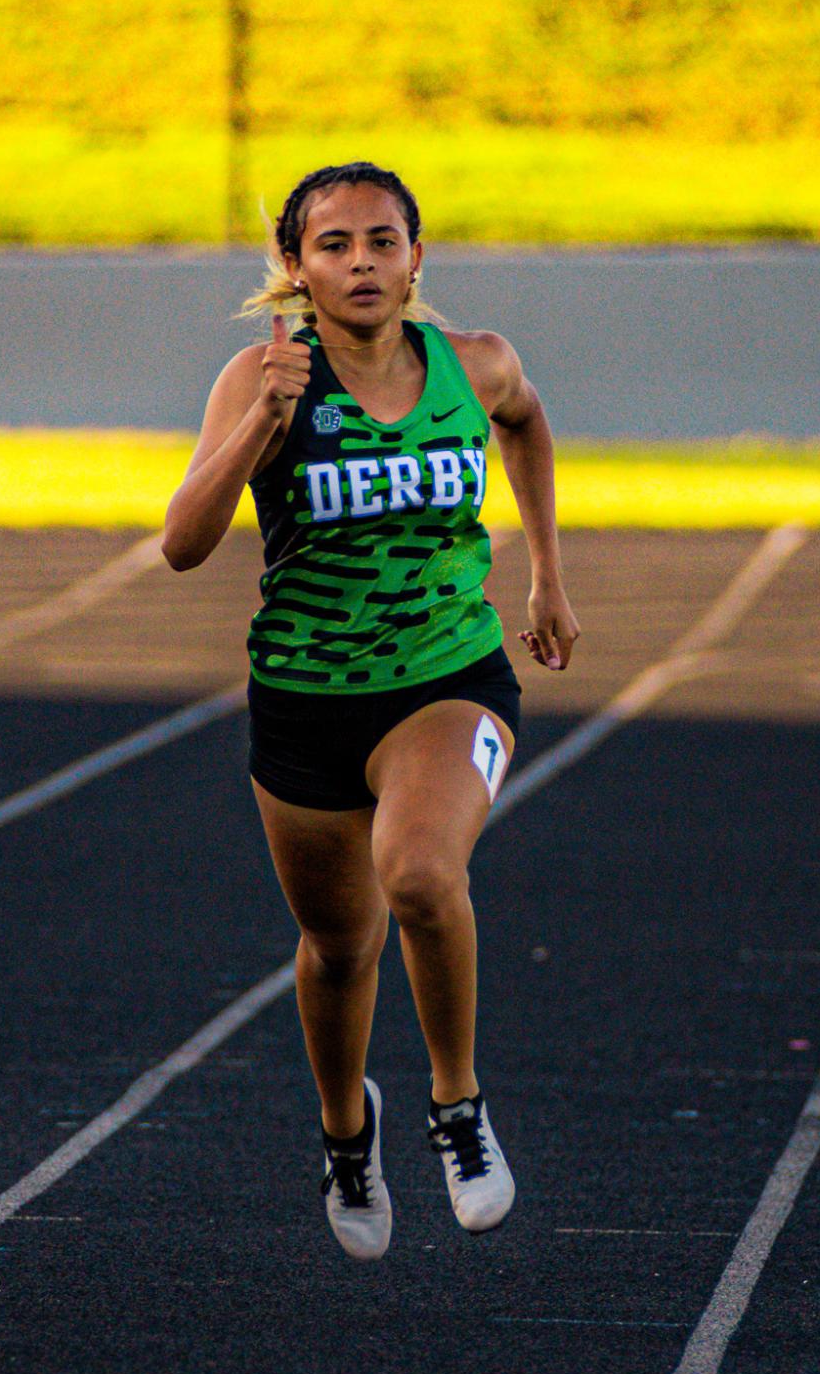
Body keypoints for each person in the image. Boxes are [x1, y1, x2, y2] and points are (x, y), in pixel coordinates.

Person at [163, 162, 578, 1262]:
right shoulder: (259, 376)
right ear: (294, 267)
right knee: (338, 947)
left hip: (447, 678)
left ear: (415, 258)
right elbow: (182, 542)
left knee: (421, 876)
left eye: (381, 241)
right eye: (334, 245)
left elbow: (527, 426)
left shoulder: (473, 364)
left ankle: (457, 1108)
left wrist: (543, 571)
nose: (360, 263)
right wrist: (262, 418)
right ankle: (348, 1132)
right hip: (304, 700)